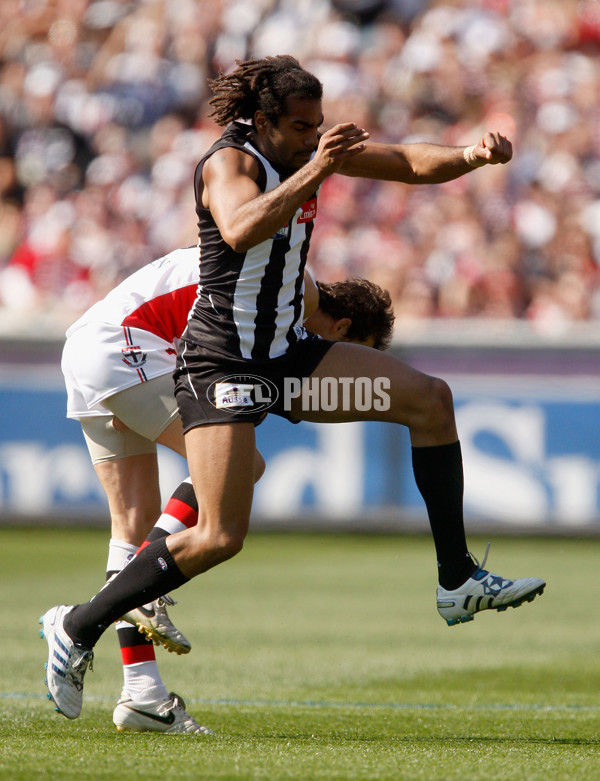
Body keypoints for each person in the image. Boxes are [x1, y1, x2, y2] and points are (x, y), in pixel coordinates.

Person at [41, 55, 545, 723]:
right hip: (221, 364)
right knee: (220, 535)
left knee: (431, 399)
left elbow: (410, 164)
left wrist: (472, 154)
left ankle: (457, 579)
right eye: (301, 126)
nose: (313, 136)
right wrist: (318, 167)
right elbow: (241, 227)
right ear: (266, 119)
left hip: (286, 357)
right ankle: (77, 625)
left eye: (318, 126)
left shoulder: (311, 150)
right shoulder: (230, 163)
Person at [57, 240, 395, 731]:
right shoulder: (291, 291)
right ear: (341, 329)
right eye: (346, 350)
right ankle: (118, 605)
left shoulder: (289, 283)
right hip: (125, 344)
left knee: (130, 527)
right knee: (242, 466)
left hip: (93, 344)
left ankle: (142, 695)